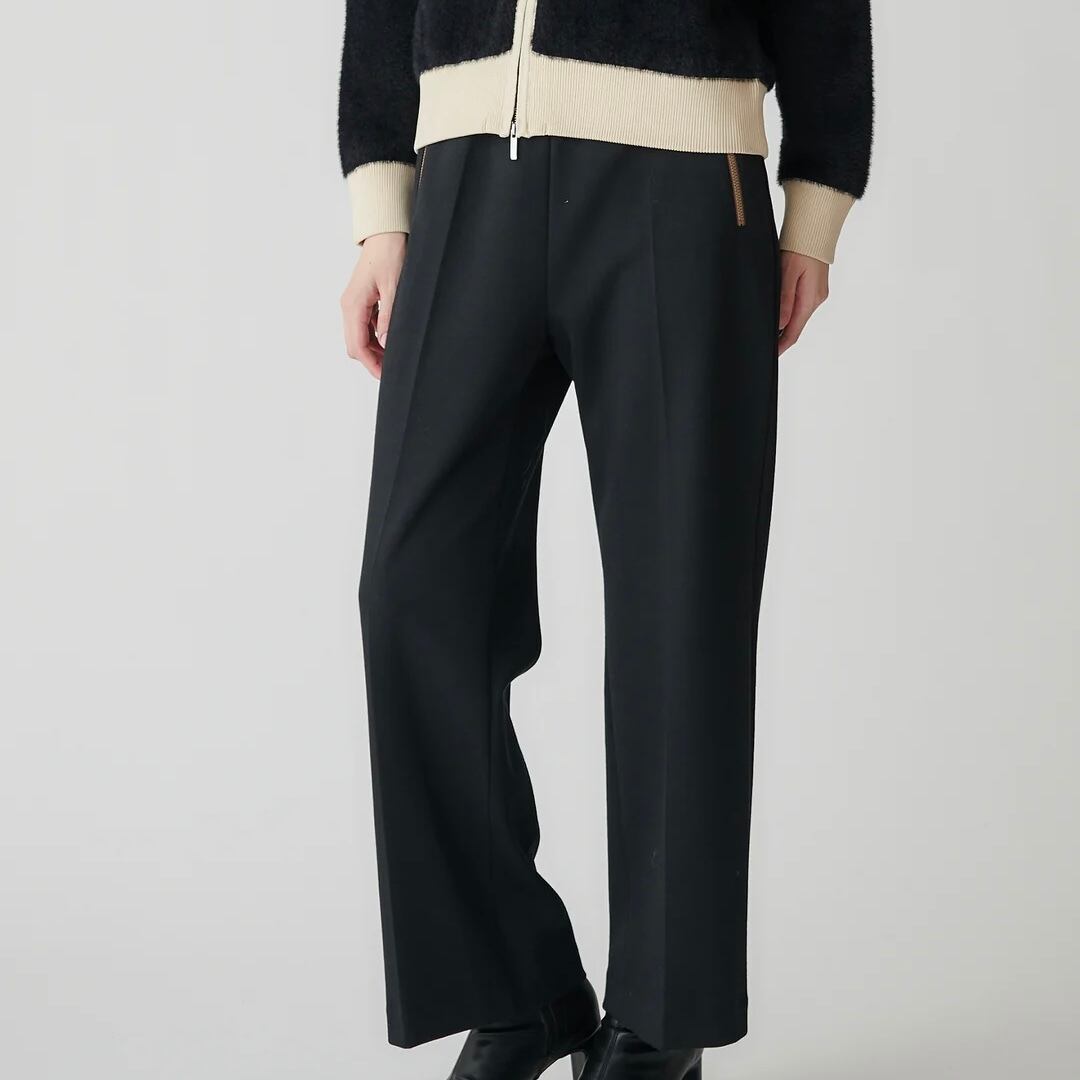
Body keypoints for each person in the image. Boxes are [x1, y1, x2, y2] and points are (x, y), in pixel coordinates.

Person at [338, 2, 873, 1077]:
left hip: (684, 177)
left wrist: (815, 203)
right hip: (465, 175)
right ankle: (517, 989)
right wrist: (382, 209)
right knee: (411, 590)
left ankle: (663, 1021)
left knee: (681, 606)